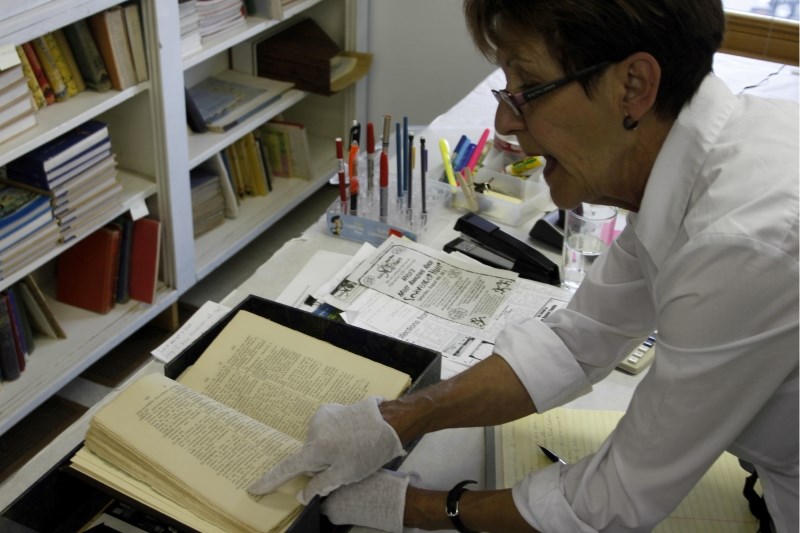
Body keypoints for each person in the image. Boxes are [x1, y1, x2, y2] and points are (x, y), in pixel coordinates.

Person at [248, 0, 799, 531]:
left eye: (527, 90)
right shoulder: (693, 164)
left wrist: (414, 508)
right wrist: (399, 420)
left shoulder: (743, 240)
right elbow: (578, 341)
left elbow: (612, 503)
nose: (504, 122)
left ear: (632, 87)